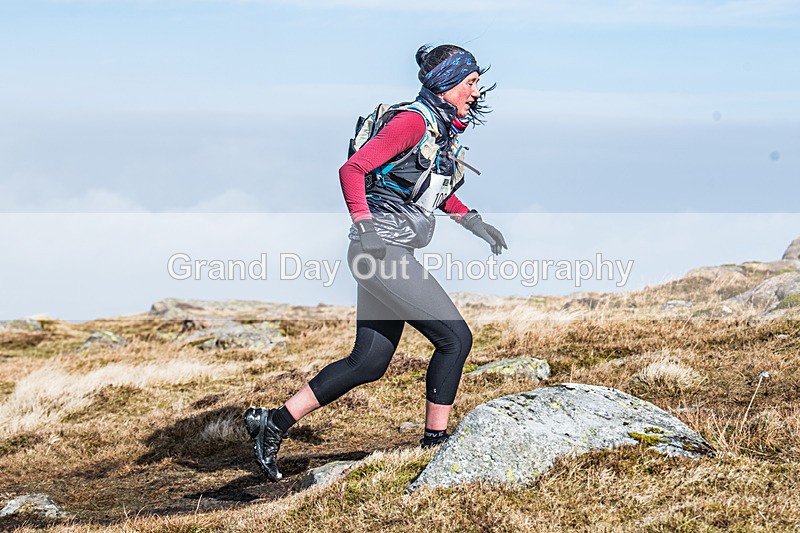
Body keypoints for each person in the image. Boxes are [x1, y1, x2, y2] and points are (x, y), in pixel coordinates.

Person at [244, 44, 507, 482]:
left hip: (381, 252)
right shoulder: (411, 122)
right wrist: (365, 228)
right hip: (381, 252)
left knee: (368, 362)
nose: (476, 93)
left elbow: (431, 191)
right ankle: (434, 444)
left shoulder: (440, 132)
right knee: (455, 339)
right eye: (470, 83)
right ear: (446, 84)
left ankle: (273, 422)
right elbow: (351, 171)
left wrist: (474, 222)